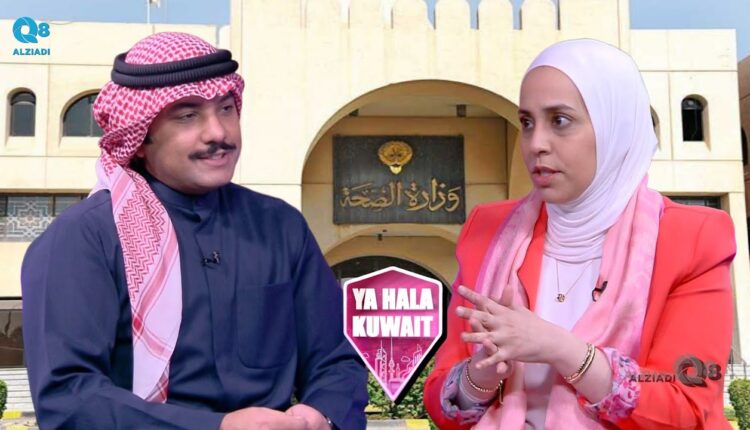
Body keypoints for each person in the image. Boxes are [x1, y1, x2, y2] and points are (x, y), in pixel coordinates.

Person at [21, 32, 368, 430]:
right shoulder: (84, 239)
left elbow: (336, 360)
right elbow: (69, 398)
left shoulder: (280, 226)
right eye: (187, 116)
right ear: (139, 138)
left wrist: (319, 416)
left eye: (226, 109)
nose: (218, 133)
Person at [423, 39, 735, 429]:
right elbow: (440, 400)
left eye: (560, 120)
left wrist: (563, 350)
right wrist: (479, 377)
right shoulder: (489, 232)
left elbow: (686, 406)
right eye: (527, 123)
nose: (536, 144)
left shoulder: (692, 238)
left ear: (613, 127)